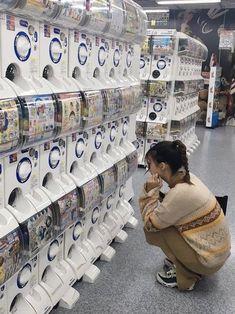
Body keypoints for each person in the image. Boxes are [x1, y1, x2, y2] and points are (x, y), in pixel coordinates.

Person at [139, 140, 231, 291]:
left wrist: (150, 190)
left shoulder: (179, 193)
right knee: (164, 219)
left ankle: (187, 275)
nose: (148, 170)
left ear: (162, 167)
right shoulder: (188, 177)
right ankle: (185, 261)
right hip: (218, 254)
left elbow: (151, 223)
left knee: (156, 229)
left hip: (208, 262)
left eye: (149, 165)